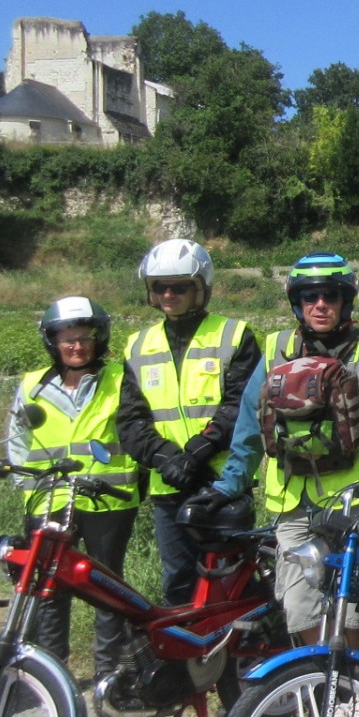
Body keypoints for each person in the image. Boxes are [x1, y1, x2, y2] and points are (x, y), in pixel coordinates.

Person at [206, 253, 359, 643]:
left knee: (350, 602)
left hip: (352, 499)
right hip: (291, 501)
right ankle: (323, 678)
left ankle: (355, 691)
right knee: (298, 601)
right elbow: (248, 425)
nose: (320, 304)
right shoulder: (274, 350)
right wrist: (230, 482)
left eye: (330, 296)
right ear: (297, 303)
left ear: (345, 301)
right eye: (310, 297)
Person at [116, 238, 261, 605]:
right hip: (169, 484)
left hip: (222, 481)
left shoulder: (234, 335)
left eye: (179, 286)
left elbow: (242, 405)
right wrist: (165, 458)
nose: (169, 294)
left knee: (232, 580)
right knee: (179, 582)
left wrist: (198, 452)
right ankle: (188, 661)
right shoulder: (137, 345)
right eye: (159, 287)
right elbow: (131, 419)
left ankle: (239, 658)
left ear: (201, 288)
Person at [8, 297, 141, 678]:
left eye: (84, 337)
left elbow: (136, 428)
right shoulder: (32, 384)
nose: (77, 346)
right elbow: (17, 438)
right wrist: (26, 486)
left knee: (107, 587)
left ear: (99, 338)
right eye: (67, 338)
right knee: (50, 587)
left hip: (108, 499)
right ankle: (51, 670)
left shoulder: (119, 376)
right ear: (52, 342)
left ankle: (108, 670)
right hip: (47, 499)